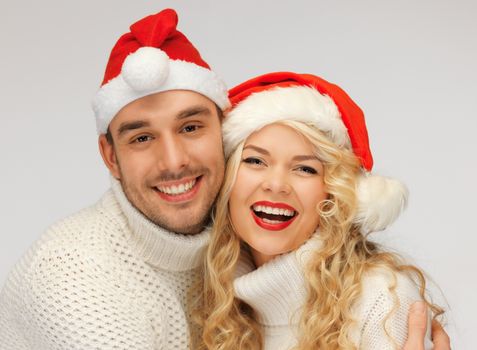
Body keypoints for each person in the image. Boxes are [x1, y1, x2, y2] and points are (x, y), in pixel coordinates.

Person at [0, 9, 449, 350]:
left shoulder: (377, 298)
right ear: (110, 156)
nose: (174, 161)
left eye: (191, 127)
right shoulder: (75, 282)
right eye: (141, 137)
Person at [199, 72, 448, 349]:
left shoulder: (382, 298)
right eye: (255, 161)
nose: (276, 185)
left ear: (333, 191)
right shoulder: (214, 302)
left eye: (305, 168)